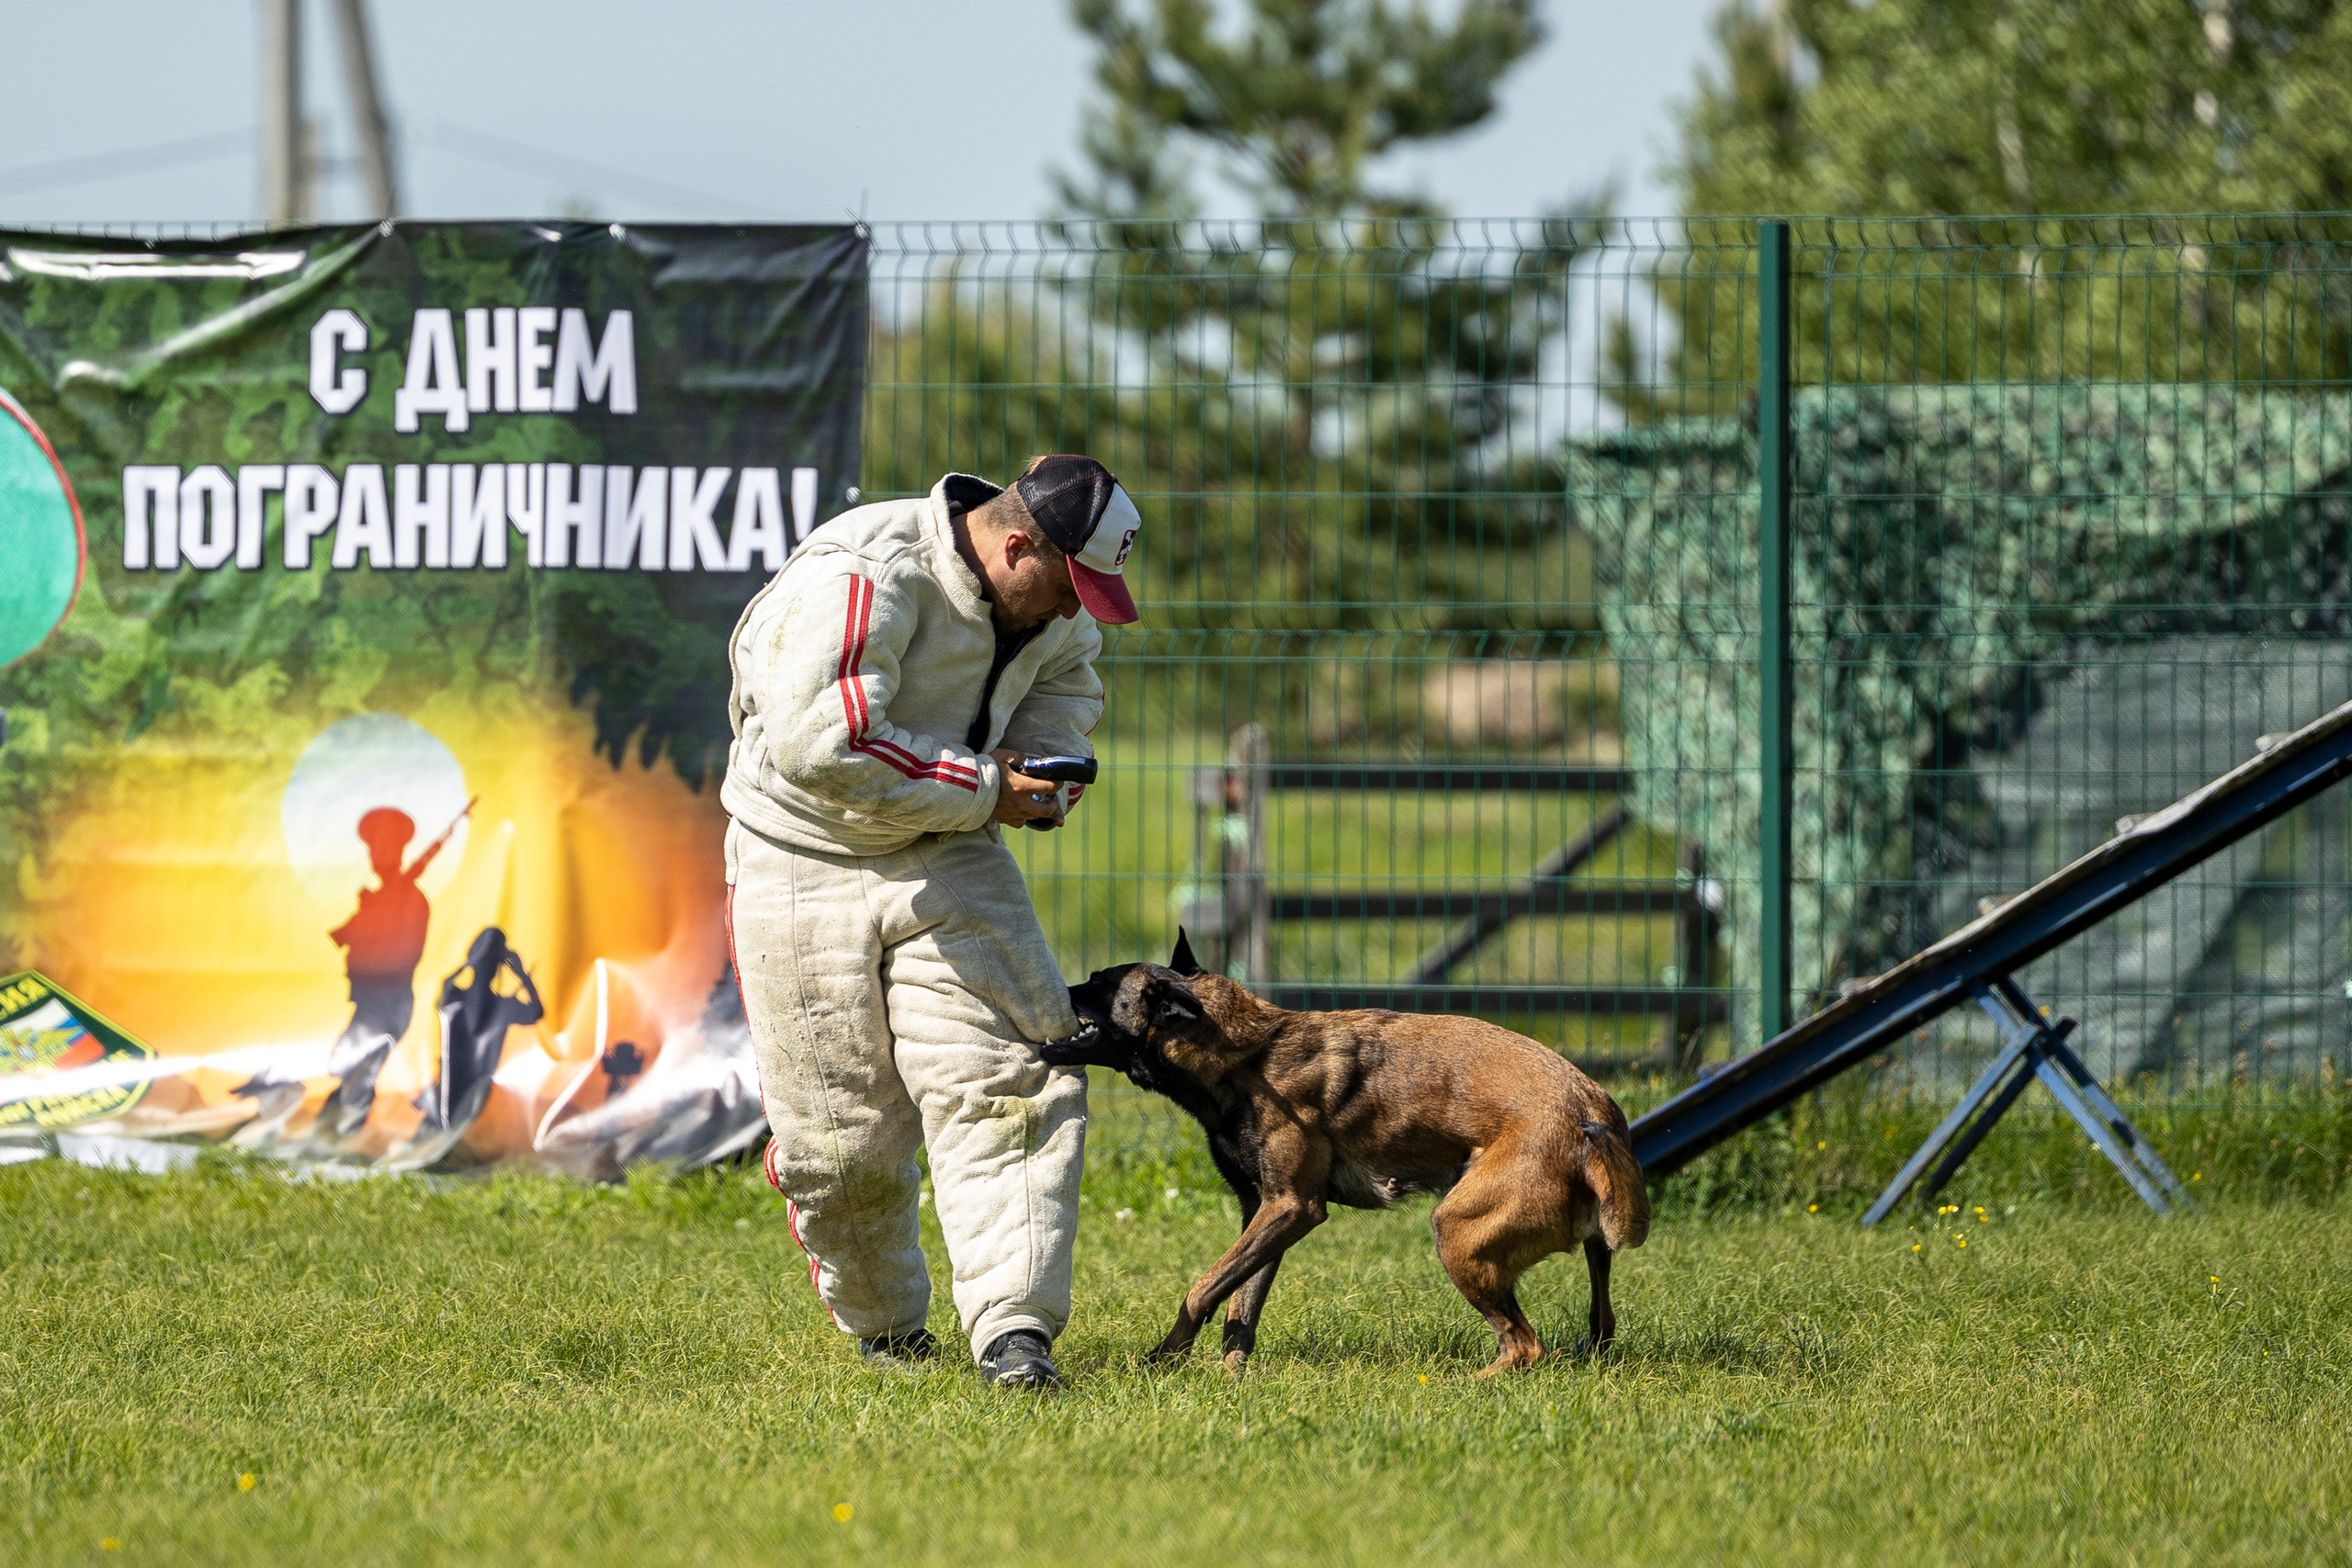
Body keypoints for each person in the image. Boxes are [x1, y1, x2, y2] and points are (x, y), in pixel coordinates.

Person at [722, 454, 1141, 1390]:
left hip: (948, 848)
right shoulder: (867, 572)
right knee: (840, 1142)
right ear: (1016, 541)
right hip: (800, 854)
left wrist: (1045, 767)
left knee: (1012, 1080)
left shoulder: (1048, 605)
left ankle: (1014, 1337)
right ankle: (887, 1333)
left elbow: (1065, 688)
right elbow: (825, 744)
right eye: (1070, 587)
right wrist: (991, 789)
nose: (1076, 611)